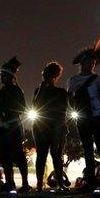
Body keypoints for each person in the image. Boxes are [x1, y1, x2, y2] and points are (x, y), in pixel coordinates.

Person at [67, 46, 100, 192]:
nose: (92, 64)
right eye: (89, 62)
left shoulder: (99, 78)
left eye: (93, 62)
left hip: (97, 116)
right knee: (87, 150)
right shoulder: (73, 80)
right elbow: (70, 99)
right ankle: (91, 180)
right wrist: (78, 107)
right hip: (83, 117)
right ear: (82, 63)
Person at [31, 62, 70, 191]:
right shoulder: (39, 91)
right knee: (42, 156)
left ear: (54, 76)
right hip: (41, 128)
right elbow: (35, 105)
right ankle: (39, 184)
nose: (44, 77)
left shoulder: (61, 92)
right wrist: (42, 89)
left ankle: (59, 182)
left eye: (47, 75)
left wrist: (60, 129)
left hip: (54, 127)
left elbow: (63, 111)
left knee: (56, 156)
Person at [0, 57, 30, 192]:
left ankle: (25, 183)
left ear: (9, 76)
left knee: (18, 155)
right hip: (3, 127)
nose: (1, 78)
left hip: (14, 126)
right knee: (4, 156)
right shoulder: (2, 91)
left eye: (2, 75)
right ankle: (9, 182)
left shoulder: (16, 90)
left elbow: (22, 108)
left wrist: (6, 112)